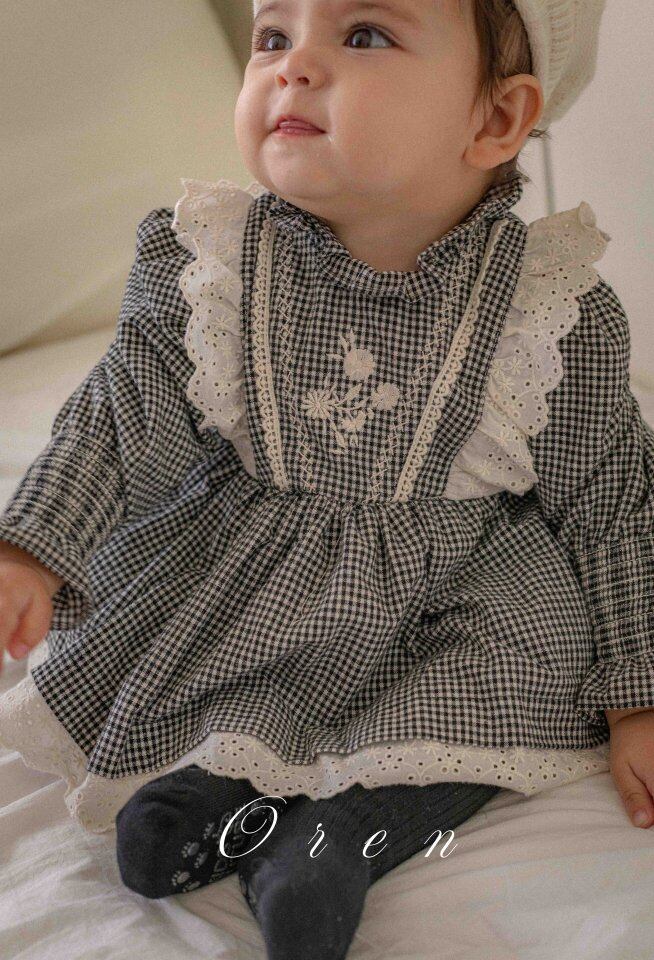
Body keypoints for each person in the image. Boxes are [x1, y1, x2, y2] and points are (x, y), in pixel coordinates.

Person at [1, 0, 652, 958]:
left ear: (496, 118)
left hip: (457, 587)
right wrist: (31, 547)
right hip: (258, 575)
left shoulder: (553, 309)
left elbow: (612, 503)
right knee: (229, 659)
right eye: (273, 35)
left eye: (364, 34)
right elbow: (123, 412)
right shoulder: (211, 264)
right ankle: (220, 789)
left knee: (531, 654)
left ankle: (344, 835)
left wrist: (639, 693)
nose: (293, 65)